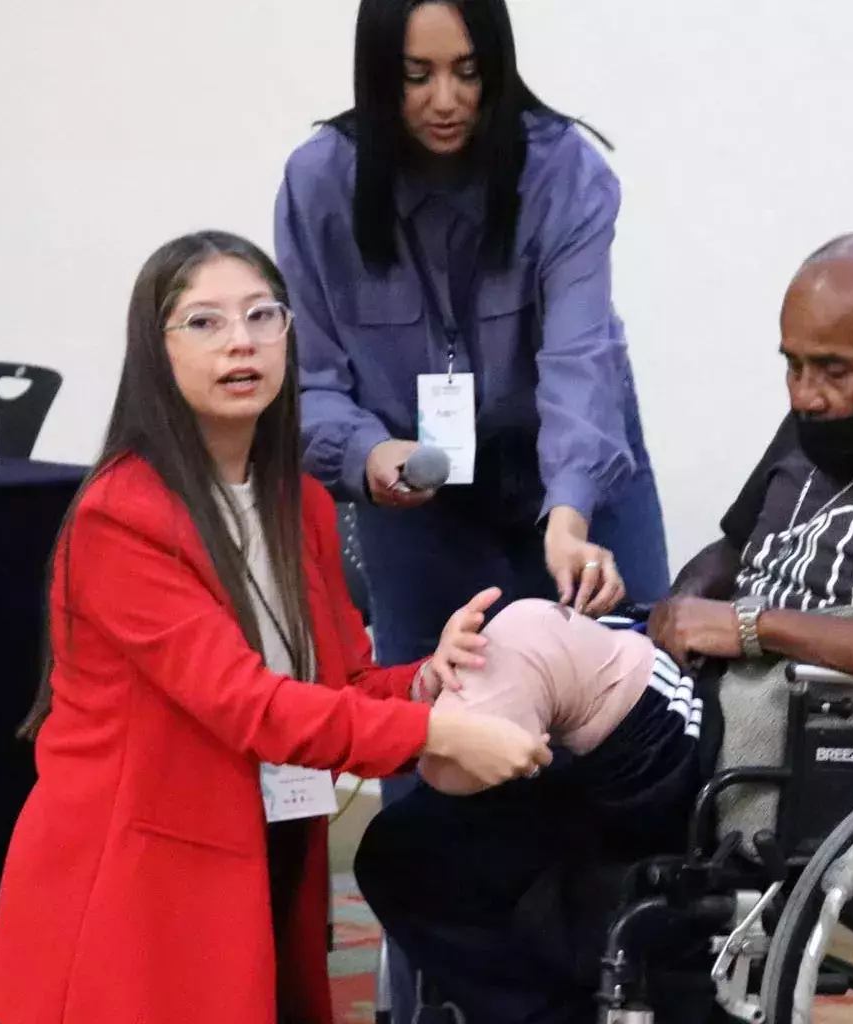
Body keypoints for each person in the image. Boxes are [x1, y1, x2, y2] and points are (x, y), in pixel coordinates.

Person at [353, 229, 853, 1022]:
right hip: (701, 706)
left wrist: (752, 627)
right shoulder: (808, 438)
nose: (805, 393)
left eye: (835, 370)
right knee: (408, 850)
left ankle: (469, 723)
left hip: (789, 735)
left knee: (527, 635)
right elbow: (730, 551)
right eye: (792, 363)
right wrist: (665, 614)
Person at [0, 230, 555, 1024]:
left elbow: (338, 684)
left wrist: (426, 675)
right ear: (157, 349)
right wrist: (435, 734)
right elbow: (250, 706)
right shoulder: (123, 516)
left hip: (264, 853)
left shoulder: (299, 501)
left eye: (261, 315)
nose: (240, 342)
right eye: (204, 322)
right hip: (136, 877)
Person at [274, 2, 671, 1010]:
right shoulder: (319, 183)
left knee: (629, 746)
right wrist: (371, 454)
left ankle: (632, 990)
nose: (445, 101)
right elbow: (309, 379)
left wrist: (572, 513)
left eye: (467, 72)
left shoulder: (562, 169)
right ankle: (448, 999)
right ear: (378, 74)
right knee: (435, 751)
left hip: (571, 491)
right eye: (415, 75)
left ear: (498, 68)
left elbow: (581, 361)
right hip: (419, 501)